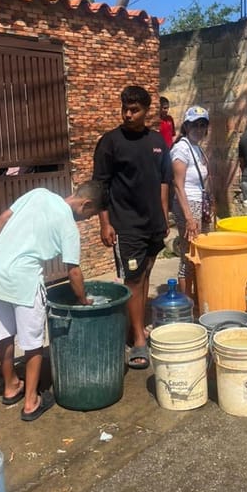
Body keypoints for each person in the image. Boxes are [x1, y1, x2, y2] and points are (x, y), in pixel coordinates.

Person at [0, 181, 105, 421]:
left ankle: (10, 386)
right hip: (24, 280)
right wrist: (83, 299)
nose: (87, 220)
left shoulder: (38, 194)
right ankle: (31, 402)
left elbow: (4, 217)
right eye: (90, 215)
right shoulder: (69, 227)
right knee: (33, 342)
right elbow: (74, 271)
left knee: (4, 333)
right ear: (86, 204)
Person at [93, 85, 171, 370]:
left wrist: (164, 217)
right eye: (125, 109)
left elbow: (164, 181)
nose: (127, 114)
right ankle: (138, 339)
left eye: (134, 110)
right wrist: (104, 223)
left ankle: (133, 327)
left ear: (147, 111)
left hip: (153, 223)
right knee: (133, 280)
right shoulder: (110, 142)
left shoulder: (157, 141)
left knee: (146, 273)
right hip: (126, 224)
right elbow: (99, 186)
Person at [171, 106, 212, 298]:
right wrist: (189, 217)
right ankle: (186, 301)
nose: (199, 129)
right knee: (189, 255)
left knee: (199, 254)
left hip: (199, 204)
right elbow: (178, 185)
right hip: (188, 204)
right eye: (195, 125)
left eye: (203, 125)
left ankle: (196, 297)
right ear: (186, 126)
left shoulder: (196, 148)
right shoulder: (181, 148)